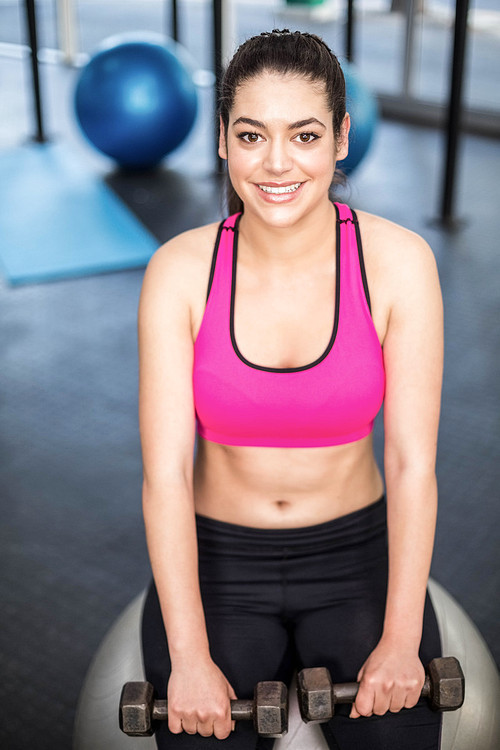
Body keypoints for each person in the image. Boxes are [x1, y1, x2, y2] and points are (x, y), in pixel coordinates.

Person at [138, 29, 444, 750]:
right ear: (222, 140)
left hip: (355, 555)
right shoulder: (179, 272)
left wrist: (401, 641)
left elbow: (412, 465)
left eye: (303, 134)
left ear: (341, 138)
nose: (276, 163)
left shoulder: (399, 263)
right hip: (220, 559)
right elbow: (166, 475)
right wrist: (188, 660)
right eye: (251, 134)